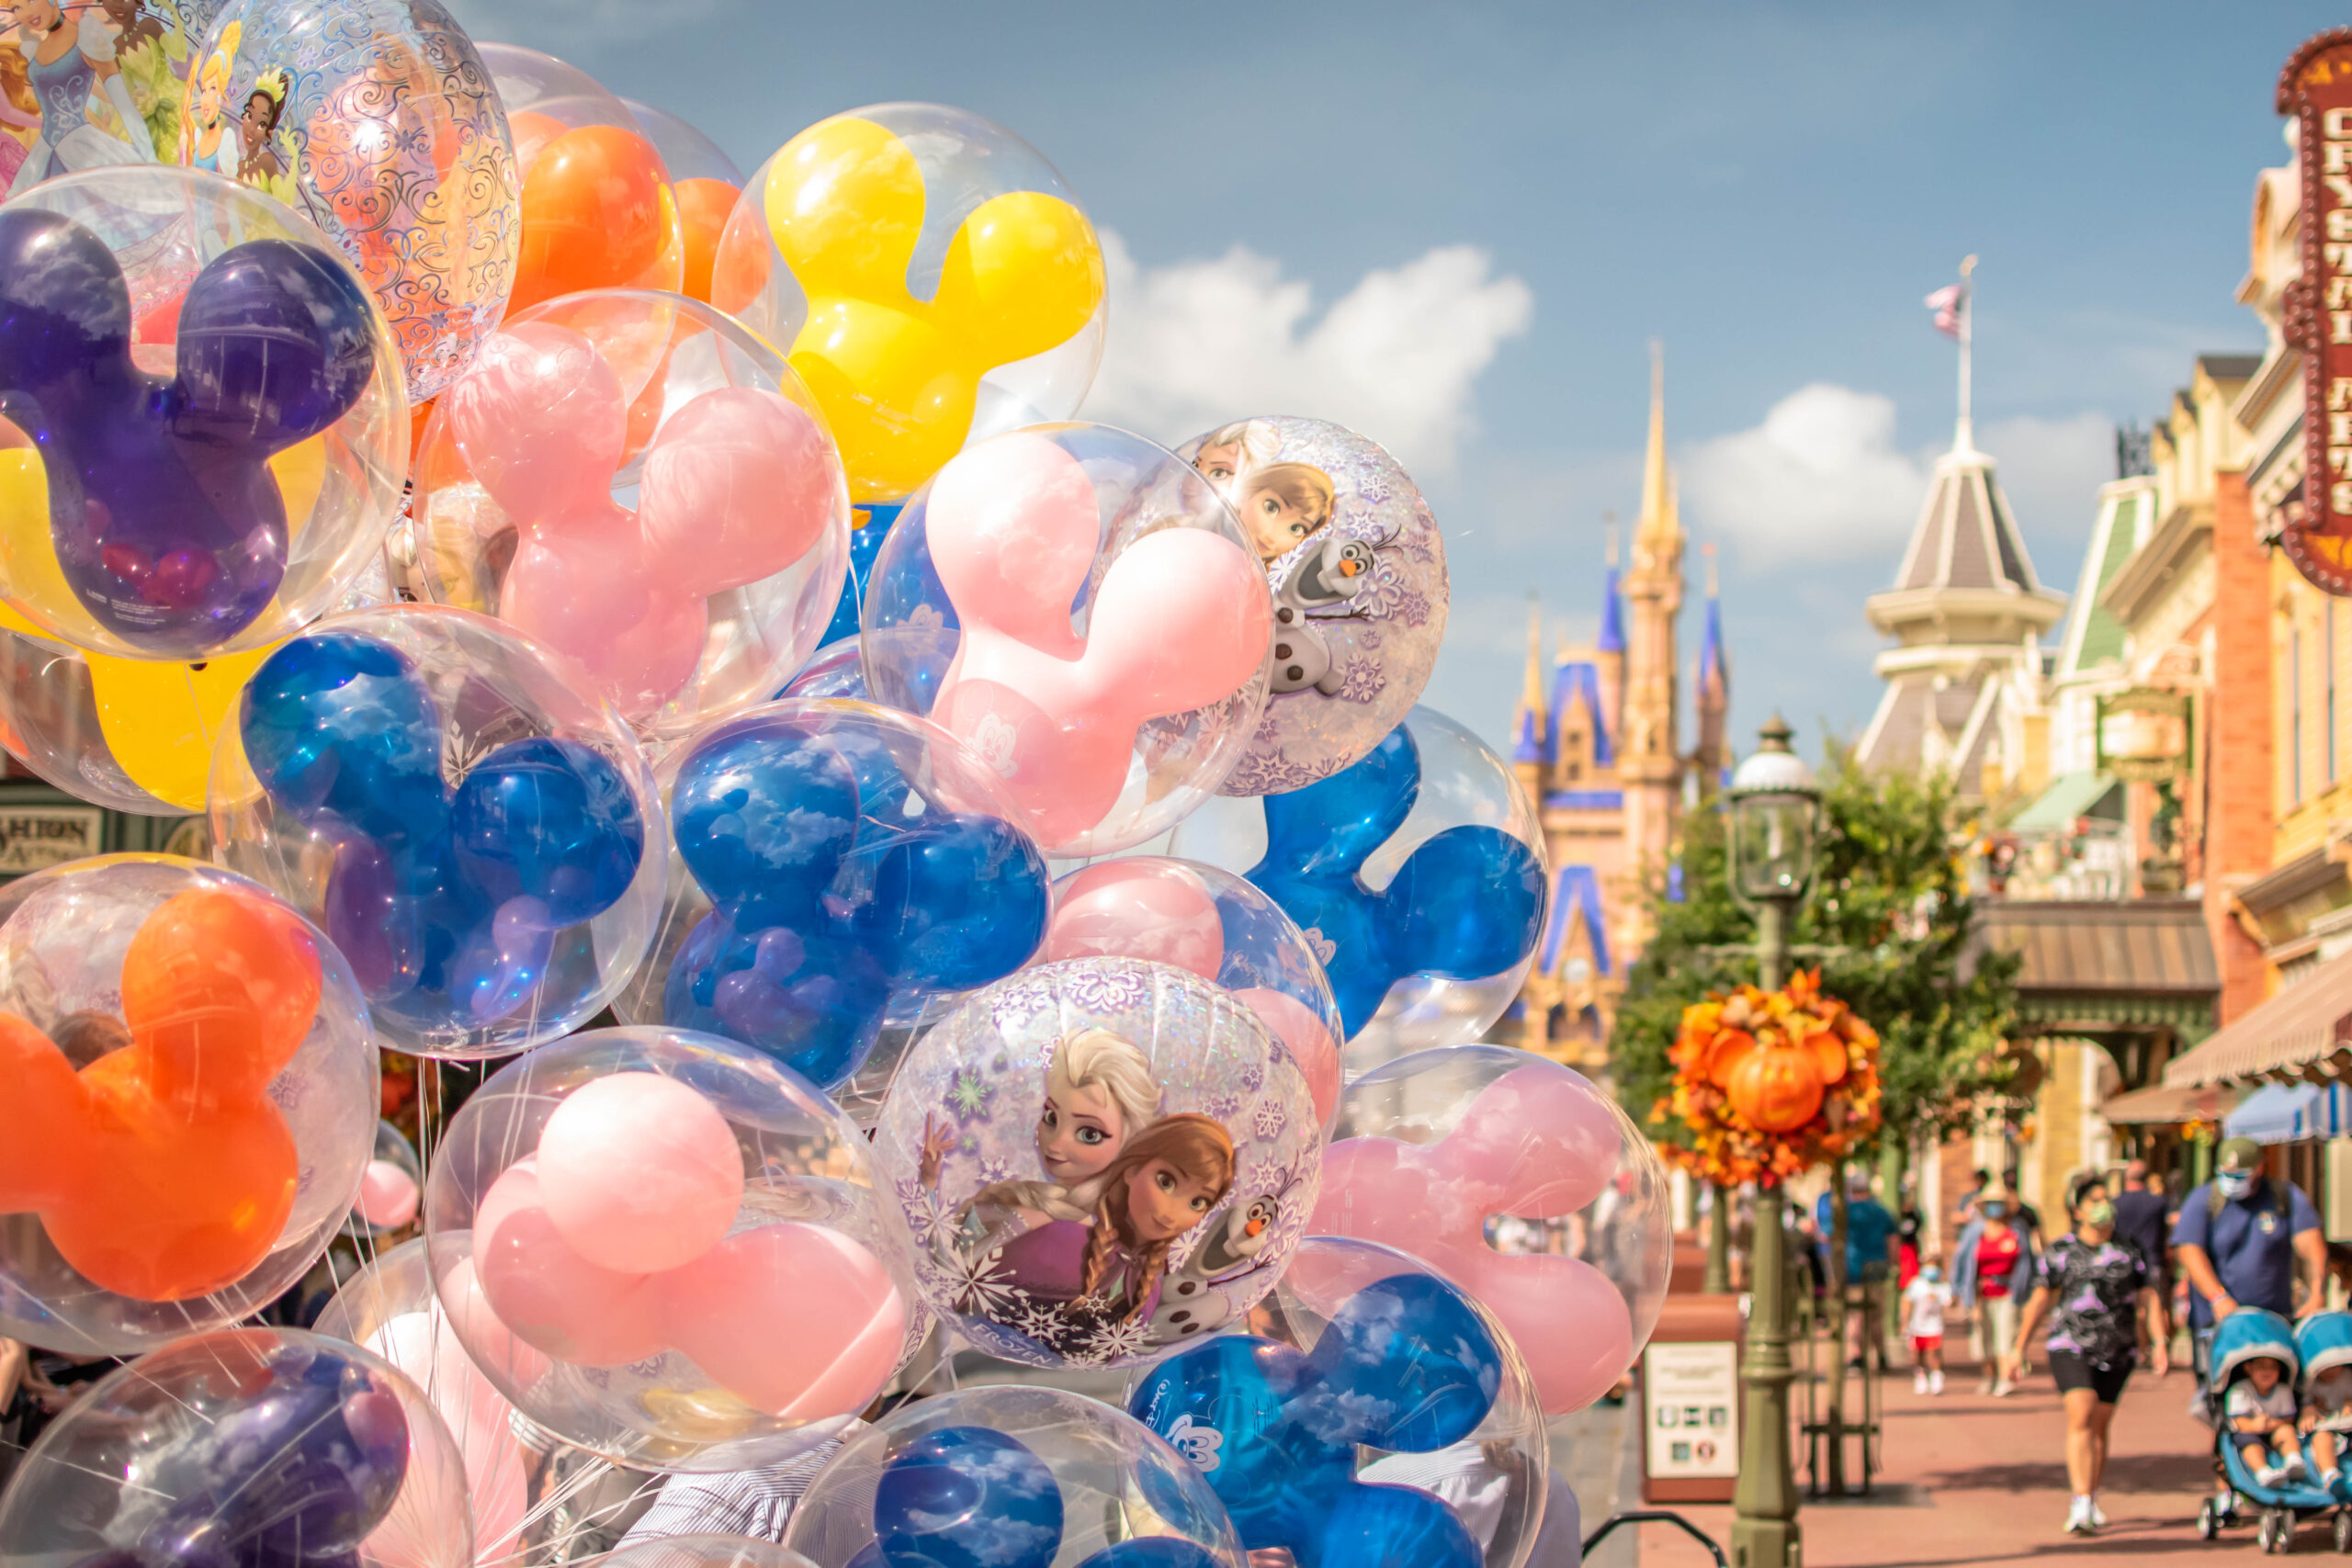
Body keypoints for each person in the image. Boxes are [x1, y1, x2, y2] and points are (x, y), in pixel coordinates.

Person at [2003, 1173, 2168, 1535]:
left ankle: (2091, 1495)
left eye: (2104, 1198)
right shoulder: (2060, 1251)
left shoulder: (2130, 1250)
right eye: (2093, 1200)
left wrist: (2158, 1342)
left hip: (2118, 1348)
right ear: (2077, 1209)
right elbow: (2040, 1299)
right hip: (2069, 1344)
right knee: (2083, 1410)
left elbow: (2148, 1297)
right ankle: (2079, 1501)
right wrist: (2018, 1347)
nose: (2102, 1205)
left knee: (2099, 1423)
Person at [2173, 1137, 2326, 1338]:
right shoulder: (2203, 1199)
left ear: (2259, 1169)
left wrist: (2317, 1294)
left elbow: (2311, 1246)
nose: (2231, 1181)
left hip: (2273, 1321)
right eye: (2226, 1174)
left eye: (2240, 1176)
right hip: (2218, 1321)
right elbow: (2190, 1252)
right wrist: (2218, 1297)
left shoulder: (2283, 1196)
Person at [1953, 1180, 2033, 1394]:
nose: (1995, 1207)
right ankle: (1988, 1376)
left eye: (1999, 1202)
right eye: (1991, 1203)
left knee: (2006, 1336)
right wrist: (1957, 1289)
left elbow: (2028, 1261)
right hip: (1981, 1293)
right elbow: (1961, 1260)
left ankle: (2005, 1378)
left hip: (2009, 1291)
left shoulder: (2017, 1230)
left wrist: (2028, 1290)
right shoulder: (1974, 1231)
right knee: (1984, 1338)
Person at [1817, 1169, 1897, 1370]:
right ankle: (1881, 1355)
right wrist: (1893, 1265)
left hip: (1852, 1268)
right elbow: (1893, 1241)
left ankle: (1858, 1355)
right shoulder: (1881, 1211)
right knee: (1876, 1315)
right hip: (1877, 1268)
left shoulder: (1844, 1211)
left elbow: (1826, 1235)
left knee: (1856, 1315)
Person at [2110, 1158, 2172, 1359]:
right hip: (2153, 1259)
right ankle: (2160, 1349)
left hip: (2123, 1262)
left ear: (2126, 1178)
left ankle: (2142, 1351)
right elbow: (2169, 1230)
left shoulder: (2115, 1203)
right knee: (2157, 1306)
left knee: (2133, 1309)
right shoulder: (2158, 1202)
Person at [2229, 1355, 2307, 1488]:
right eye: (2261, 1367)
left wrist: (2270, 1425)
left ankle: (2293, 1460)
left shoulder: (2283, 1391)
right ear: (2248, 1368)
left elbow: (2288, 1419)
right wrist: (2255, 1425)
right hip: (2249, 1432)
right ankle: (2263, 1472)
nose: (2267, 1372)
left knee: (2287, 1431)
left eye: (2273, 1368)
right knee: (2250, 1444)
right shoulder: (2240, 1390)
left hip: (2274, 1430)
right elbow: (2239, 1422)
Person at [1903, 1254, 1953, 1395]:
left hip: (1935, 1326)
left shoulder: (1943, 1286)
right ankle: (1920, 1376)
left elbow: (1949, 1302)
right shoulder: (1917, 1284)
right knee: (1919, 1353)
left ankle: (1937, 1377)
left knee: (1935, 1351)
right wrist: (1904, 1320)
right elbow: (1906, 1300)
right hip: (1917, 1326)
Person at [2304, 1360, 2352, 1489]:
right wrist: (2309, 1412)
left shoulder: (2347, 1376)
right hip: (2326, 1426)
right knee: (2322, 1438)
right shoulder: (2310, 1383)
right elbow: (2305, 1407)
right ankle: (2330, 1475)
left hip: (2347, 1425)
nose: (2330, 1371)